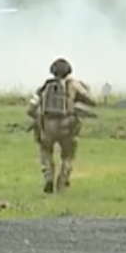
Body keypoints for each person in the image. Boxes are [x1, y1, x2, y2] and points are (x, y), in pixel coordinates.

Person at [24, 57, 98, 194]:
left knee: (45, 152)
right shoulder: (74, 85)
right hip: (67, 125)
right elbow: (93, 101)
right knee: (68, 155)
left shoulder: (45, 86)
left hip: (47, 126)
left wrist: (40, 118)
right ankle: (62, 181)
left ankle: (48, 178)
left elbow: (30, 109)